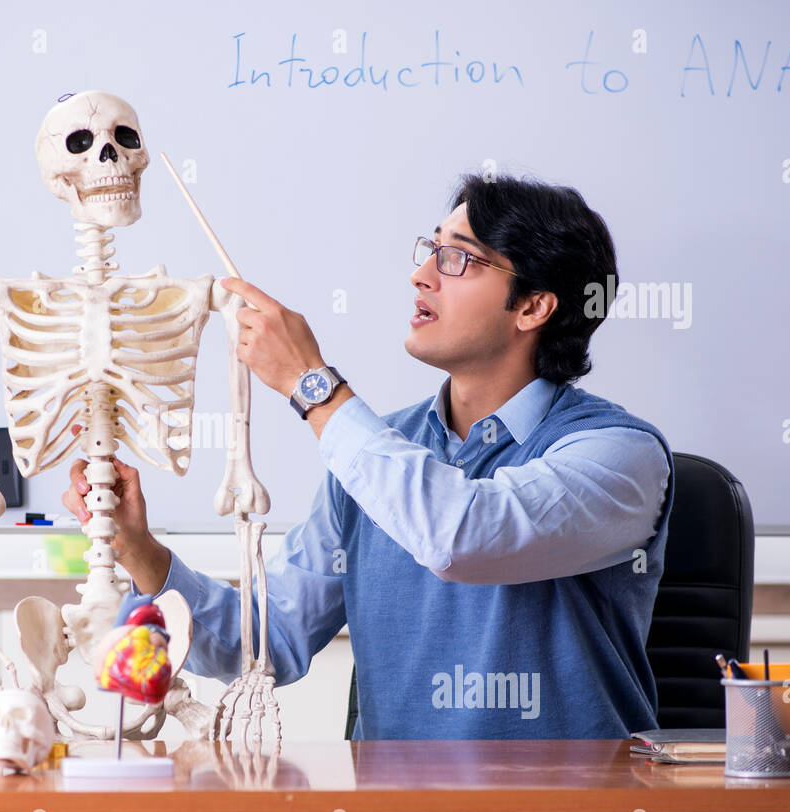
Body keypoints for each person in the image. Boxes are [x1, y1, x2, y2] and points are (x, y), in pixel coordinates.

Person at [62, 173, 673, 739]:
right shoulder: (373, 453)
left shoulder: (620, 456)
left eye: (457, 258)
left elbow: (460, 535)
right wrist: (136, 548)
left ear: (534, 306)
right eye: (430, 250)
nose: (423, 275)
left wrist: (311, 383)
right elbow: (267, 641)